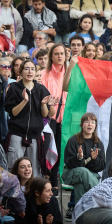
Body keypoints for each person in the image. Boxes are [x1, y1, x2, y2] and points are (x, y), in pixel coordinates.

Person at [5, 59, 54, 177]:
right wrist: (24, 101)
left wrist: (43, 104)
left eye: (32, 69)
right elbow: (13, 113)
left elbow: (45, 115)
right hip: (17, 133)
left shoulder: (41, 89)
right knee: (14, 169)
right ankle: (13, 194)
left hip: (35, 135)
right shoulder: (14, 88)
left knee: (34, 171)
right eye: (26, 68)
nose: (30, 71)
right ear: (21, 72)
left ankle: (33, 194)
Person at [62, 112, 106, 203]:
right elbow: (68, 162)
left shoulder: (98, 143)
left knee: (80, 184)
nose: (90, 124)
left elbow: (102, 165)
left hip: (90, 177)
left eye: (93, 122)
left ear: (95, 126)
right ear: (82, 125)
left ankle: (81, 212)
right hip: (71, 174)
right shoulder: (73, 140)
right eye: (87, 122)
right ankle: (100, 197)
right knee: (83, 171)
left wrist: (95, 159)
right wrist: (78, 157)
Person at [41, 43, 68, 191]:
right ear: (51, 56)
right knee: (48, 149)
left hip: (65, 117)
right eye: (56, 53)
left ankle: (54, 182)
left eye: (62, 54)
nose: (59, 56)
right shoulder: (44, 73)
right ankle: (46, 180)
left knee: (59, 148)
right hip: (48, 117)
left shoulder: (70, 73)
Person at [1, 157, 34, 223]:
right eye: (23, 167)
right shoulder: (9, 186)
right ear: (17, 171)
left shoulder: (36, 186)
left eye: (29, 166)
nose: (27, 169)